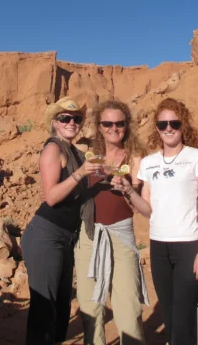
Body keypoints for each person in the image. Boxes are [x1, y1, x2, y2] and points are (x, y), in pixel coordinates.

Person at [112, 97, 198, 345]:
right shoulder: (149, 163)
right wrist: (128, 190)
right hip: (158, 248)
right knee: (169, 315)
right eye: (163, 124)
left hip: (188, 246)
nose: (168, 128)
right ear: (157, 128)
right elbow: (147, 210)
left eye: (174, 123)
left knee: (182, 317)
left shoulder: (196, 157)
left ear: (183, 126)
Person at [21, 97, 102, 345]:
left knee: (61, 307)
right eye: (65, 118)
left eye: (76, 119)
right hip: (46, 236)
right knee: (44, 309)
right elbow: (52, 196)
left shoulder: (76, 152)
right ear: (55, 123)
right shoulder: (53, 149)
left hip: (66, 238)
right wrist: (80, 173)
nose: (71, 123)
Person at [75, 99, 149, 345]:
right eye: (107, 123)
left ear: (126, 126)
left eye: (119, 123)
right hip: (88, 236)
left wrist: (128, 189)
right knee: (90, 307)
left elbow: (140, 207)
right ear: (99, 126)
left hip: (121, 234)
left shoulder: (136, 157)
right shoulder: (89, 157)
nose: (113, 128)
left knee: (129, 307)